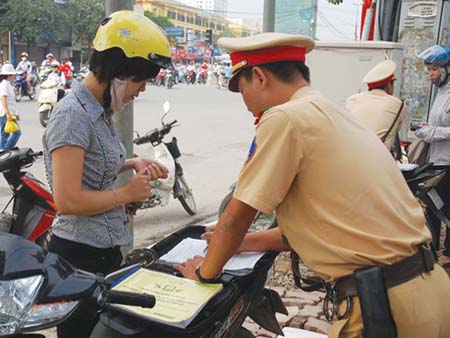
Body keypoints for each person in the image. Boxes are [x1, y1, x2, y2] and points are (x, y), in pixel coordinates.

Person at [174, 33, 450, 338]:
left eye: (242, 91)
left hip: (384, 307)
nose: (246, 104)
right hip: (430, 293)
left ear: (259, 77)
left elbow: (238, 215)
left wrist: (204, 274)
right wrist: (244, 243)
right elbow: (329, 227)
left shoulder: (284, 118)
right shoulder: (333, 113)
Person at [42, 10, 172, 338]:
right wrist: (126, 194)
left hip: (104, 253)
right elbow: (68, 199)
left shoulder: (99, 111)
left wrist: (131, 164)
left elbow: (91, 168)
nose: (141, 90)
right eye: (140, 80)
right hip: (78, 258)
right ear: (120, 70)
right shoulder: (72, 115)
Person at [415, 45, 450, 268]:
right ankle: (437, 250)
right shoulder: (440, 92)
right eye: (429, 69)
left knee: (445, 207)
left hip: (448, 161)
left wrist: (430, 132)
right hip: (436, 160)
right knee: (435, 206)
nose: (431, 74)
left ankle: (447, 253)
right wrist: (427, 127)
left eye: (435, 69)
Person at [345, 60, 406, 151]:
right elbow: (396, 130)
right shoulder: (398, 104)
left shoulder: (352, 100)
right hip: (379, 158)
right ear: (389, 85)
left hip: (351, 154)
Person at [0, 64, 21, 150]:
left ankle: (1, 152)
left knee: (5, 134)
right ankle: (6, 149)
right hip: (5, 113)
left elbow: (11, 102)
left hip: (6, 112)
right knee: (17, 132)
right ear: (9, 75)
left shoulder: (7, 84)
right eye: (13, 74)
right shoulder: (4, 84)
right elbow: (3, 99)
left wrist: (16, 114)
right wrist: (7, 113)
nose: (14, 76)